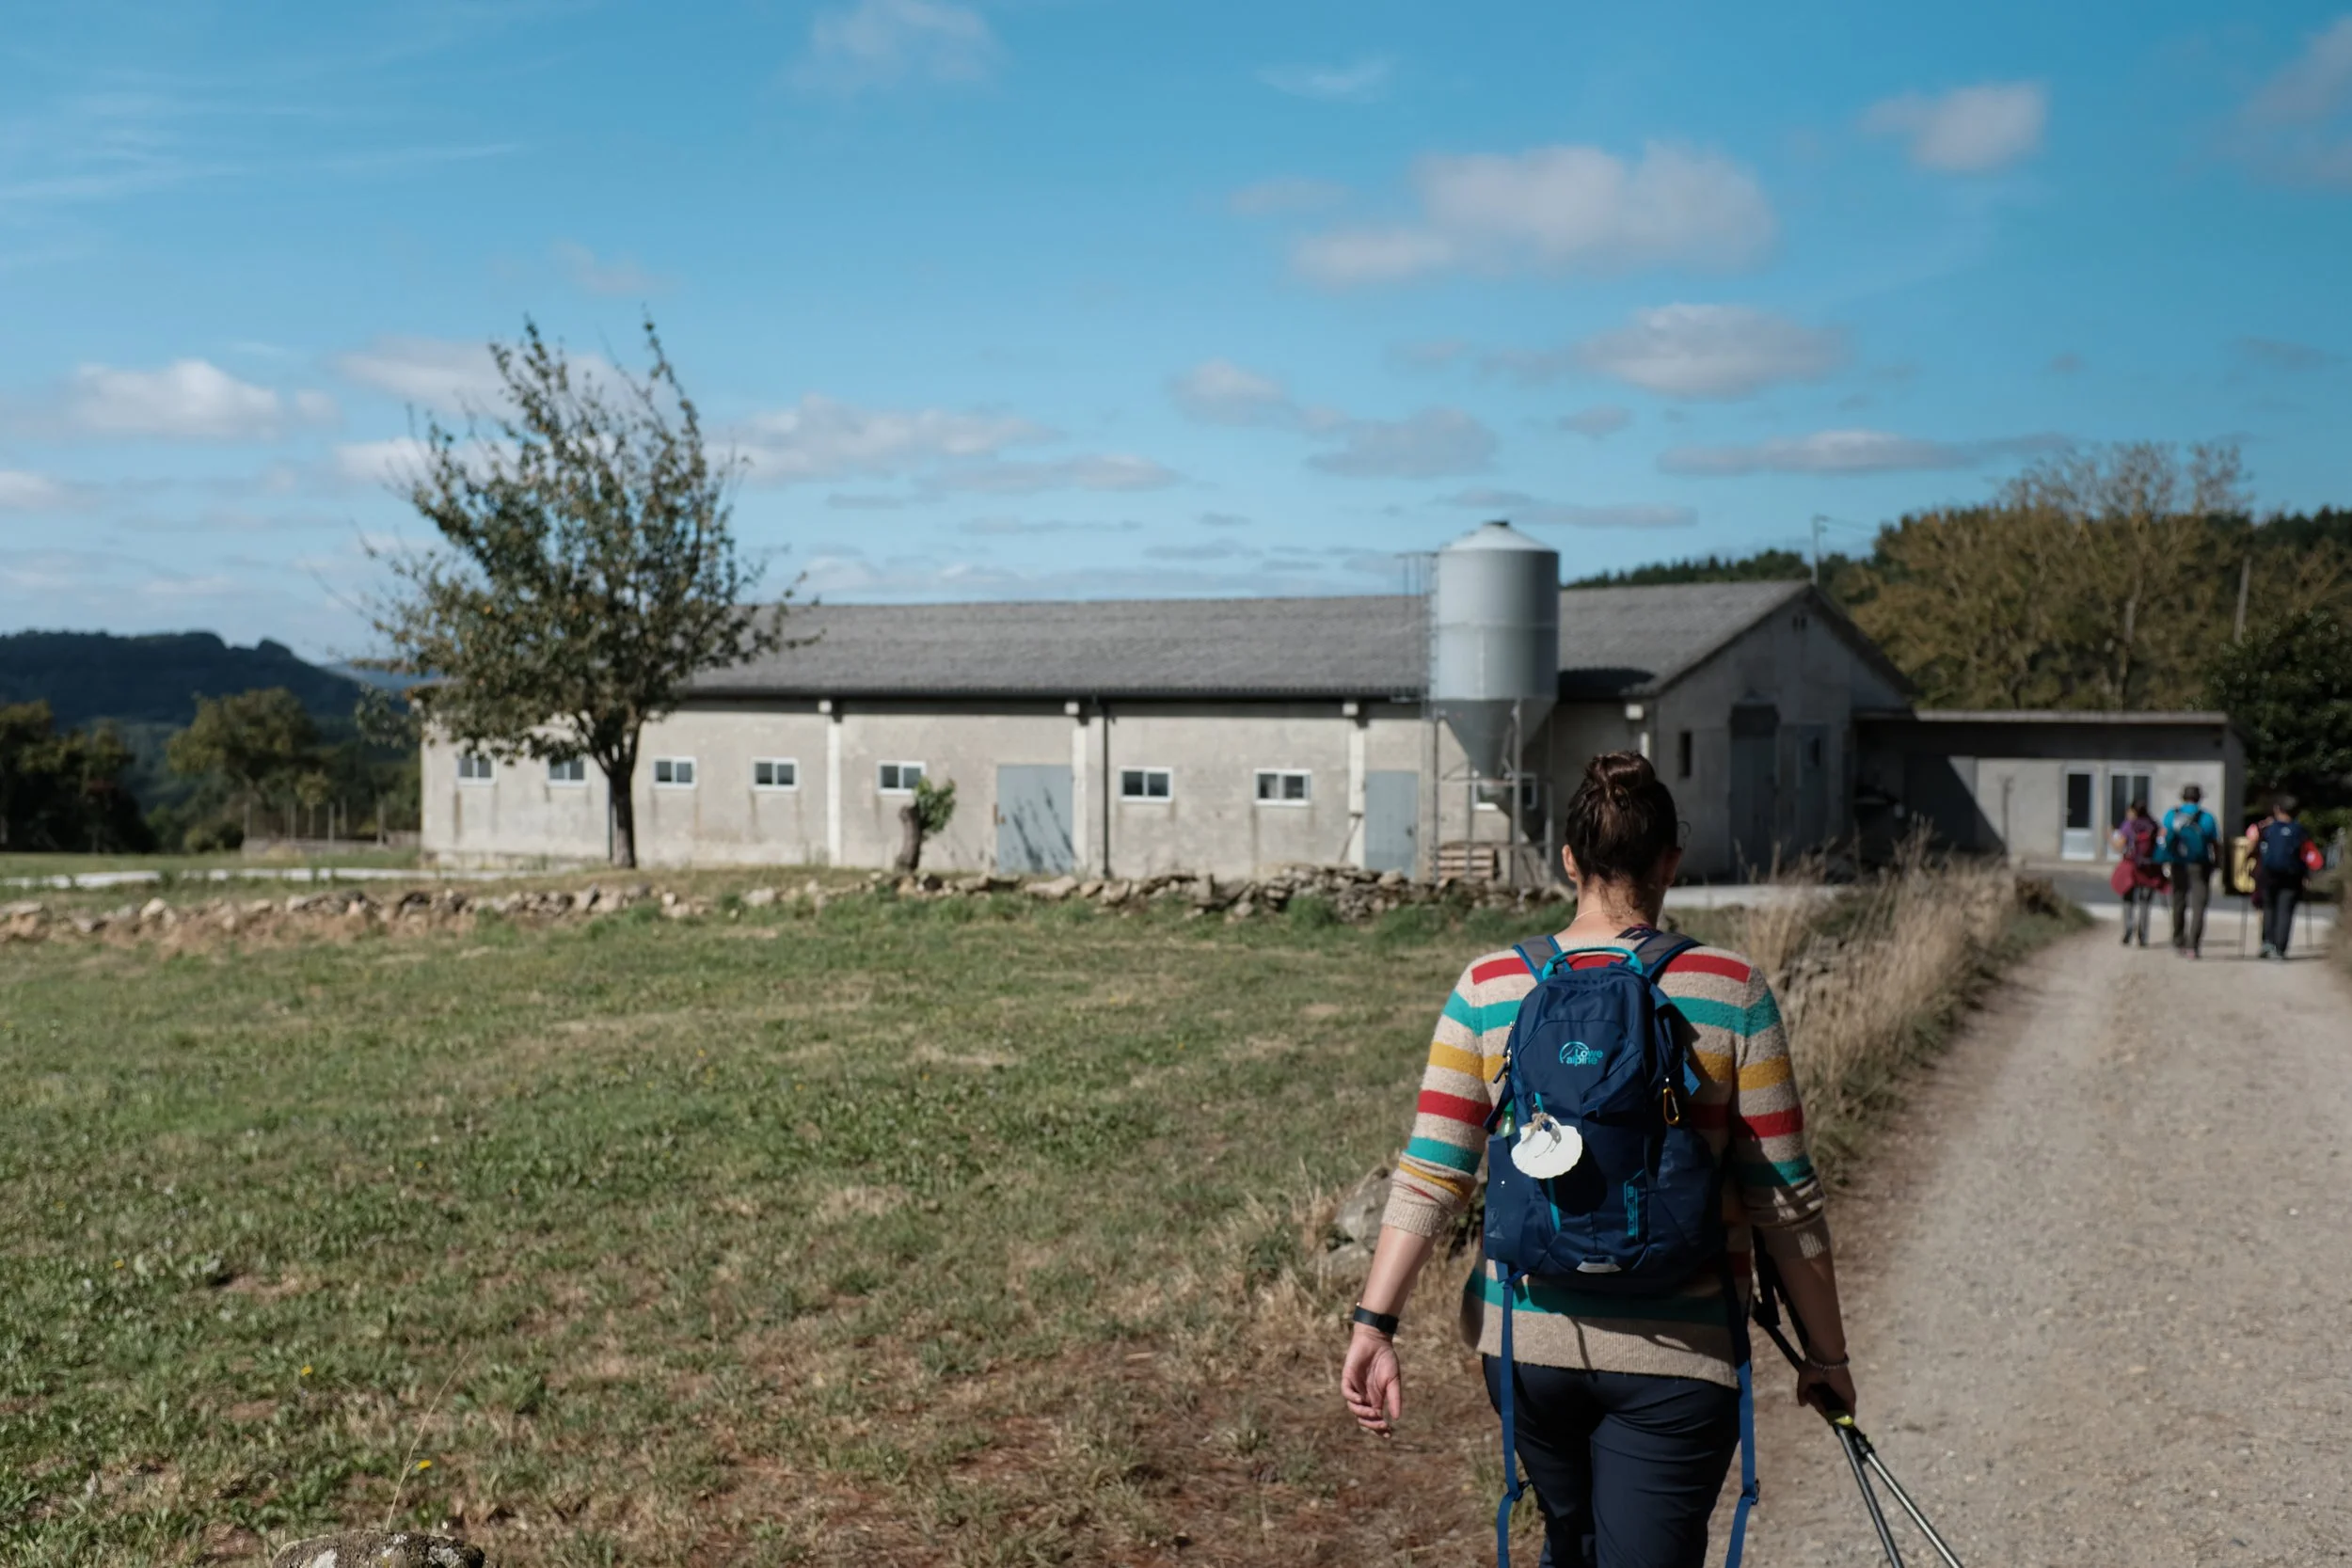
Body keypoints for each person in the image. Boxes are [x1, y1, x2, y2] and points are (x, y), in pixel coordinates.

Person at [1339, 752, 1853, 1568]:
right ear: (1670, 863)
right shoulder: (1731, 990)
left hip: (1525, 1346)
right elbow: (1783, 1199)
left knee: (1570, 1544)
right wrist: (1826, 1356)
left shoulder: (1488, 986)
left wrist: (1375, 1323)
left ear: (1569, 860)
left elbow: (1433, 1173)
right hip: (1680, 1361)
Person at [2249, 794, 2318, 958]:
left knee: (2269, 908)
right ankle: (2280, 949)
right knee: (2285, 910)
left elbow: (2255, 850)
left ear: (2277, 809)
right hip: (2292, 876)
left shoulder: (2268, 829)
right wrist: (2307, 875)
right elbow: (2307, 855)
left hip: (2268, 874)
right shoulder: (2300, 831)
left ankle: (2267, 942)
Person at [2159, 784, 2219, 958]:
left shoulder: (2172, 814)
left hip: (2177, 863)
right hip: (2200, 864)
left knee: (2178, 901)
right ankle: (2193, 945)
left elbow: (2164, 837)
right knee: (2199, 905)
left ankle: (2178, 940)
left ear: (2182, 797)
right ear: (2200, 798)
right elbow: (2215, 842)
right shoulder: (2207, 817)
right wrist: (2217, 862)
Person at [2110, 798, 2163, 948]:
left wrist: (2109, 837)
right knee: (2145, 902)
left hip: (2131, 867)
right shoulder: (2154, 825)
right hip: (2149, 868)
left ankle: (2128, 927)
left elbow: (2119, 846)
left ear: (2133, 811)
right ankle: (2143, 935)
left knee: (2128, 898)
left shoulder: (2129, 825)